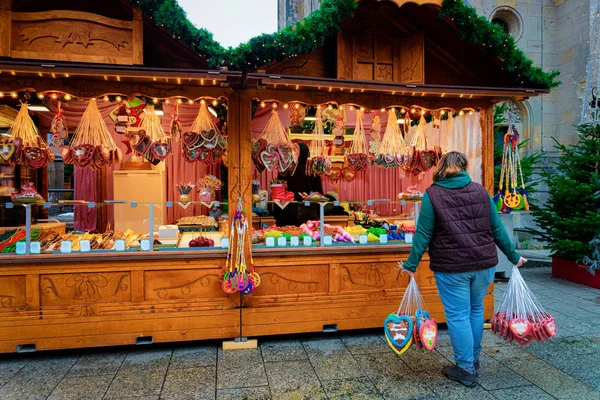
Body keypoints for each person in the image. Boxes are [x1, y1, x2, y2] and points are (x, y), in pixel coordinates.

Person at [401, 151, 526, 387]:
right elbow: (497, 228)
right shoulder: (480, 191)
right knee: (475, 310)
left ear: (441, 167)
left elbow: (424, 233)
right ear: (464, 167)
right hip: (484, 264)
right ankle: (473, 360)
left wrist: (411, 264)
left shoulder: (433, 193)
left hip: (452, 267)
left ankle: (465, 367)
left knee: (458, 315)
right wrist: (514, 256)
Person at [273, 143, 322, 226]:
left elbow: (278, 193)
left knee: (288, 238)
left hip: (287, 213)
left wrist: (277, 214)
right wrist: (319, 214)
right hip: (309, 213)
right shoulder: (313, 170)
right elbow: (319, 195)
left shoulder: (285, 169)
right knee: (309, 238)